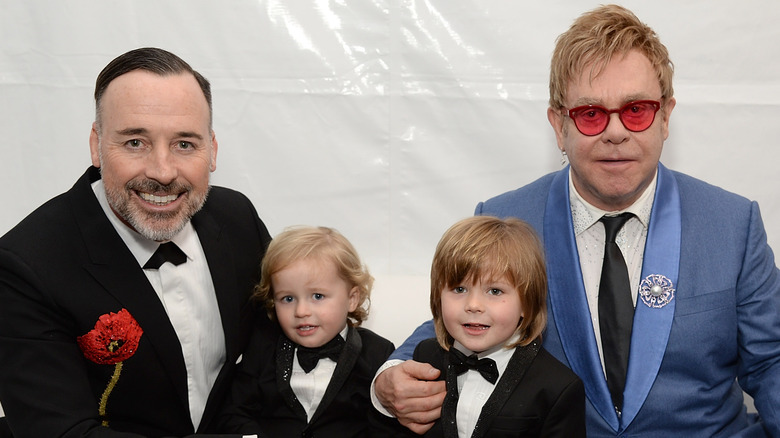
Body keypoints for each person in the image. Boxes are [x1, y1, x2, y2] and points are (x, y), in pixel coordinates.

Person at [373, 4, 780, 437]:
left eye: (637, 110)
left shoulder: (733, 224)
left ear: (665, 117)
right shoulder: (505, 219)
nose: (616, 132)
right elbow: (453, 322)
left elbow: (772, 359)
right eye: (590, 114)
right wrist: (389, 379)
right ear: (558, 125)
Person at [0, 47, 273, 437]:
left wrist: (384, 376)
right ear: (96, 145)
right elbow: (62, 432)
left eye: (184, 144)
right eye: (134, 143)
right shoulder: (25, 265)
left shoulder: (236, 217)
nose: (162, 172)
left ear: (212, 150)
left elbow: (296, 327)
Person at [372, 216, 585, 438]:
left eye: (494, 291)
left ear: (526, 303)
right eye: (459, 289)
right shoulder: (425, 357)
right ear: (437, 297)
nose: (473, 305)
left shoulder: (556, 387)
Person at [215, 226, 395, 437]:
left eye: (317, 296)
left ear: (352, 298)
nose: (301, 311)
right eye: (288, 299)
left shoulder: (378, 353)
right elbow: (234, 412)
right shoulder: (262, 347)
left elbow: (387, 426)